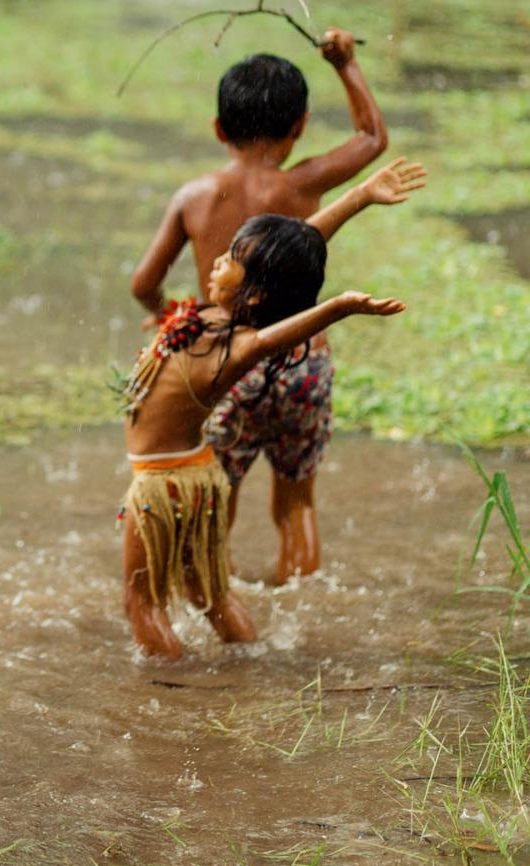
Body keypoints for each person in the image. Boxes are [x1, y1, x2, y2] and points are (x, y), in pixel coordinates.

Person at [129, 29, 387, 583]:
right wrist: (346, 65)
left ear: (219, 128)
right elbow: (371, 138)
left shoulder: (194, 197)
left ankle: (221, 607)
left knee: (217, 494)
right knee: (296, 502)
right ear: (300, 126)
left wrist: (169, 311)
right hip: (303, 363)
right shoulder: (304, 182)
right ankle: (299, 607)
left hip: (230, 367)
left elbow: (143, 282)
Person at [119, 211, 406, 659]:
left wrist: (337, 308)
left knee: (140, 602)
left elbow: (274, 336)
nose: (216, 261)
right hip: (194, 474)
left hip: (163, 484)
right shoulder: (214, 318)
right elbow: (291, 250)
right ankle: (248, 664)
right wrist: (359, 196)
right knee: (208, 594)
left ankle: (168, 693)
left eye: (231, 259)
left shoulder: (238, 347)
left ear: (256, 292)